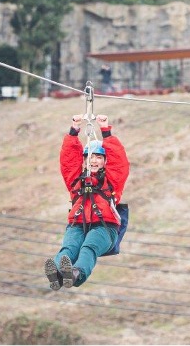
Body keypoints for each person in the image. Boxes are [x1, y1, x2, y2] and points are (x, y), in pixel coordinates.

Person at [44, 114, 130, 290]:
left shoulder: (111, 181)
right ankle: (58, 274)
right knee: (69, 248)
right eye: (90, 157)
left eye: (99, 157)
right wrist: (74, 130)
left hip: (104, 228)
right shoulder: (76, 181)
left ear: (105, 162)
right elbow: (68, 161)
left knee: (88, 247)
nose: (94, 160)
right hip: (77, 224)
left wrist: (106, 131)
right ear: (84, 161)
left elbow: (119, 162)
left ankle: (76, 273)